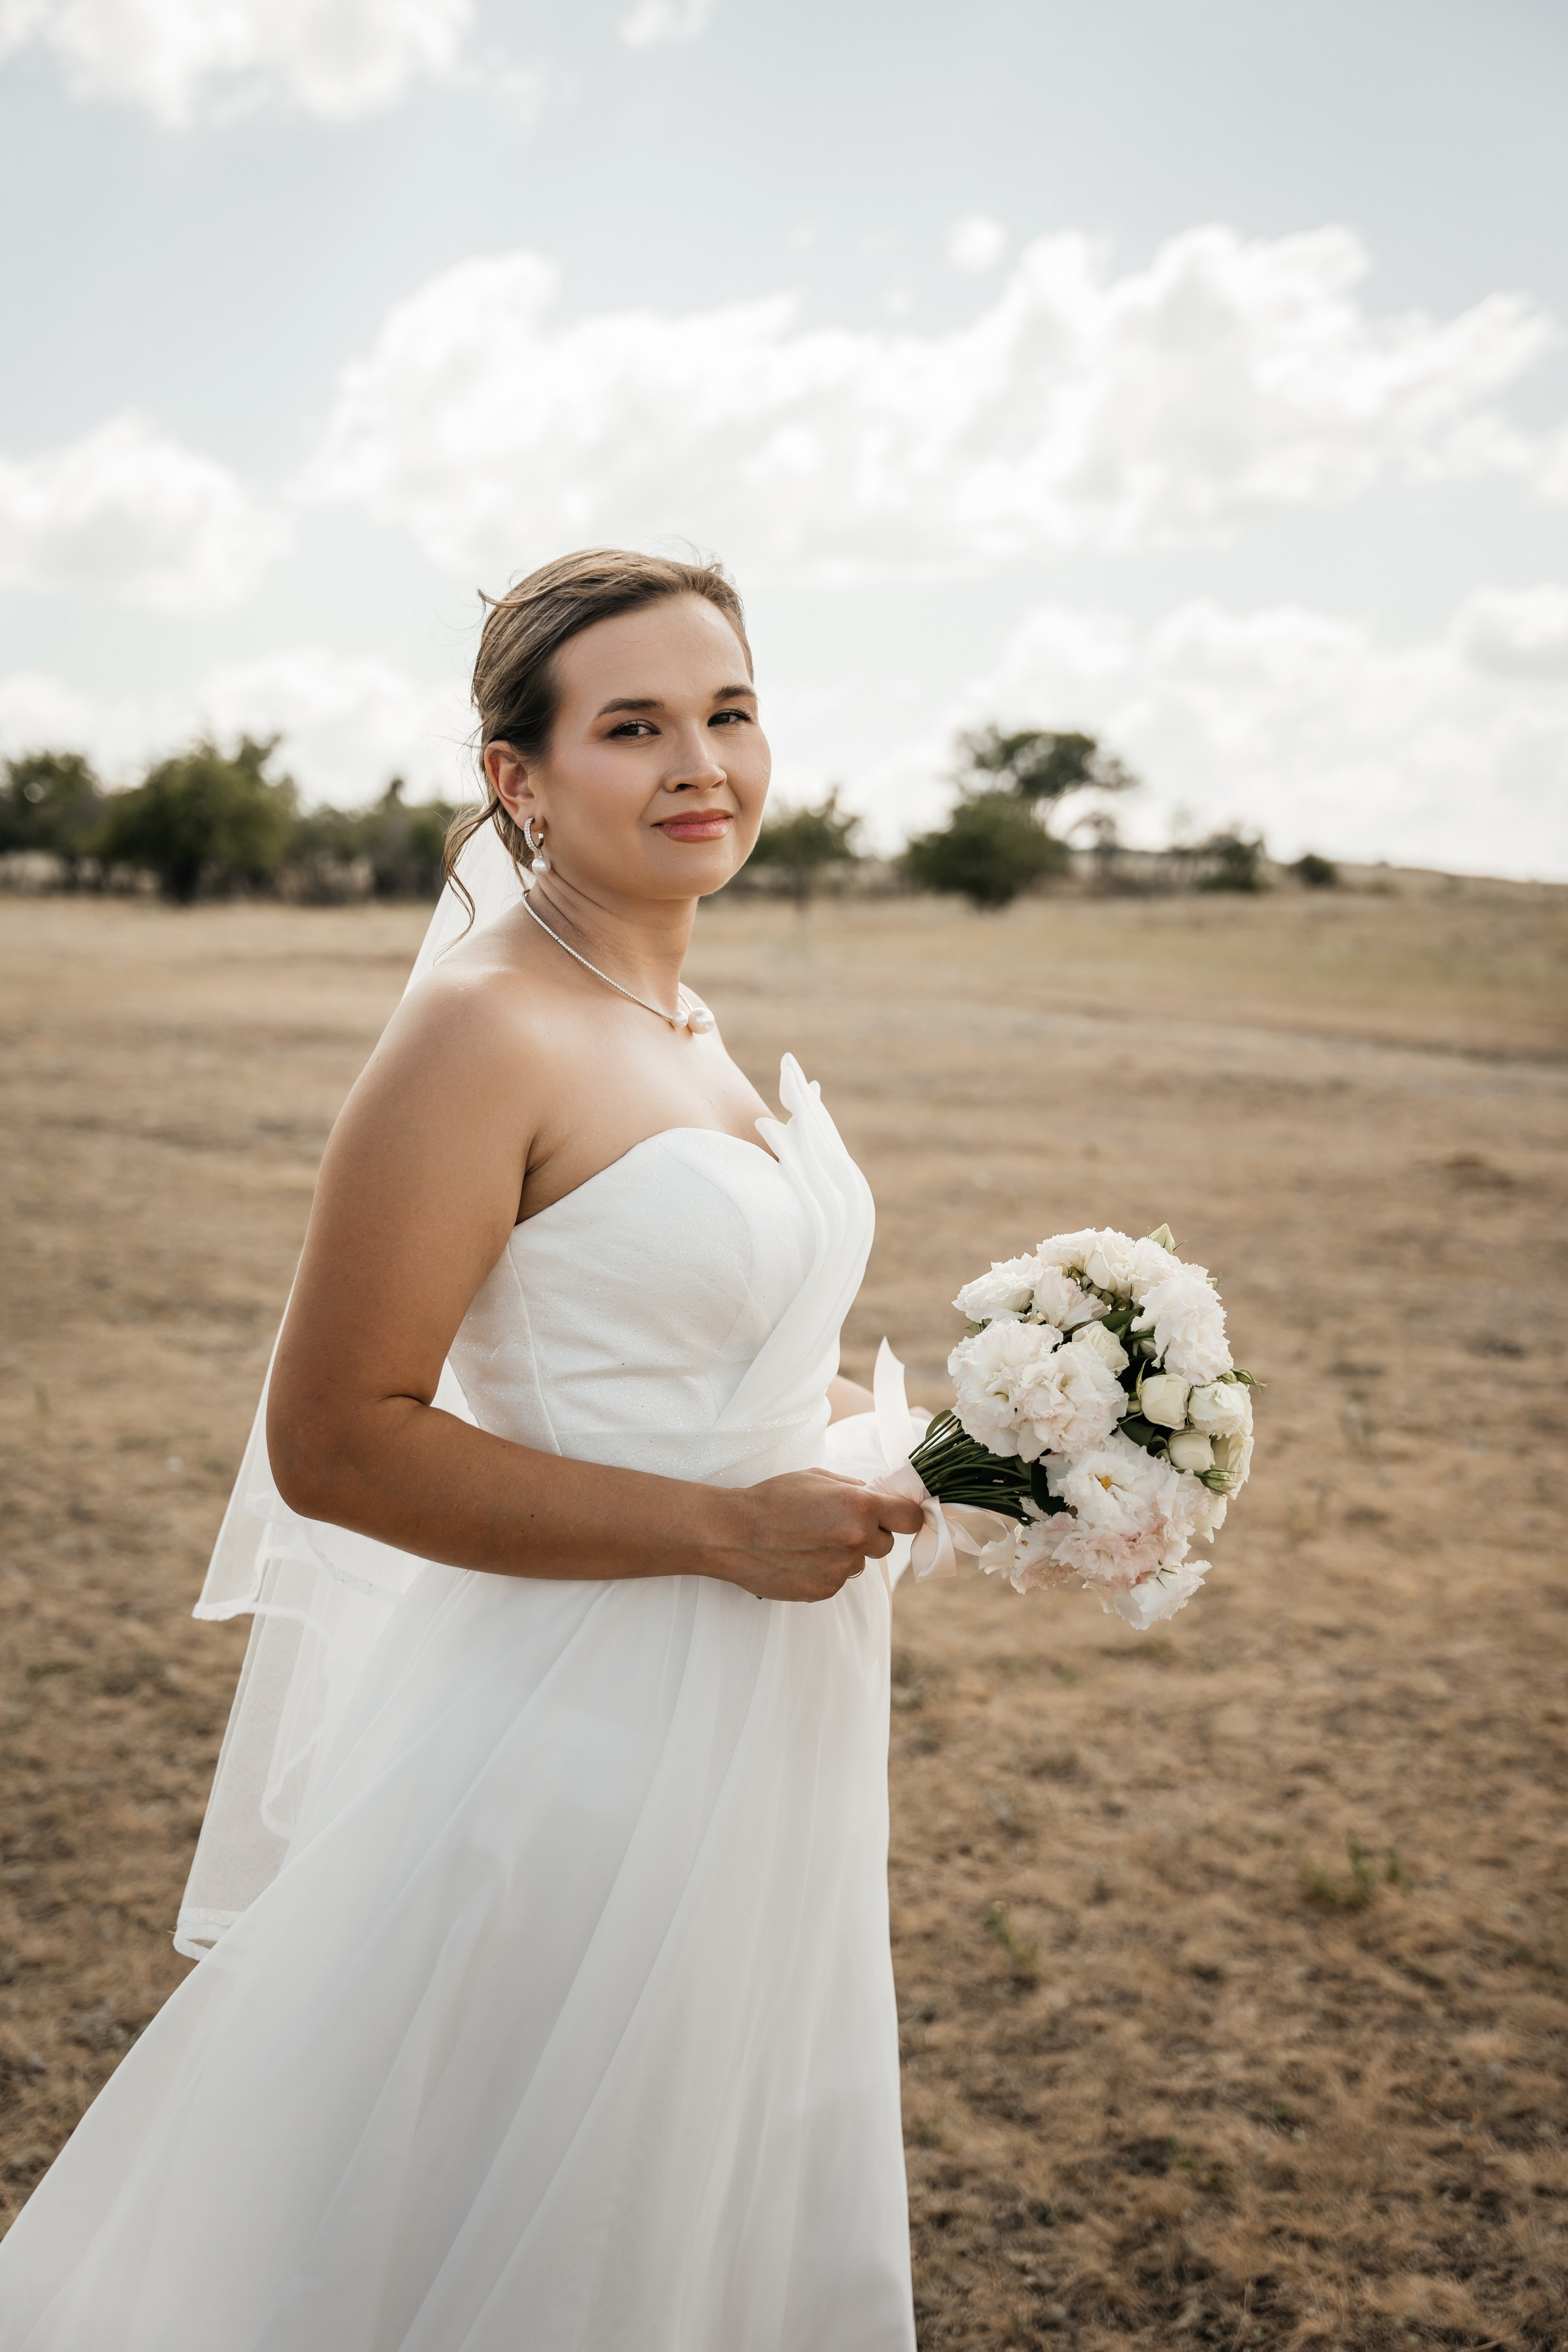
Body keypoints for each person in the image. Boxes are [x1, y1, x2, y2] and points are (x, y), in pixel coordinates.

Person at [0, 549, 926, 2351]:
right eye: (633, 726)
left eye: (729, 713)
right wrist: (728, 1534)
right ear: (520, 777)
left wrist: (968, 1459)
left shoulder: (687, 1021)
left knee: (689, 2177)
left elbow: (710, 1365)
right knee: (496, 2201)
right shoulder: (477, 1029)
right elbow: (340, 1442)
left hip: (769, 1715)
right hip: (568, 1723)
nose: (701, 766)